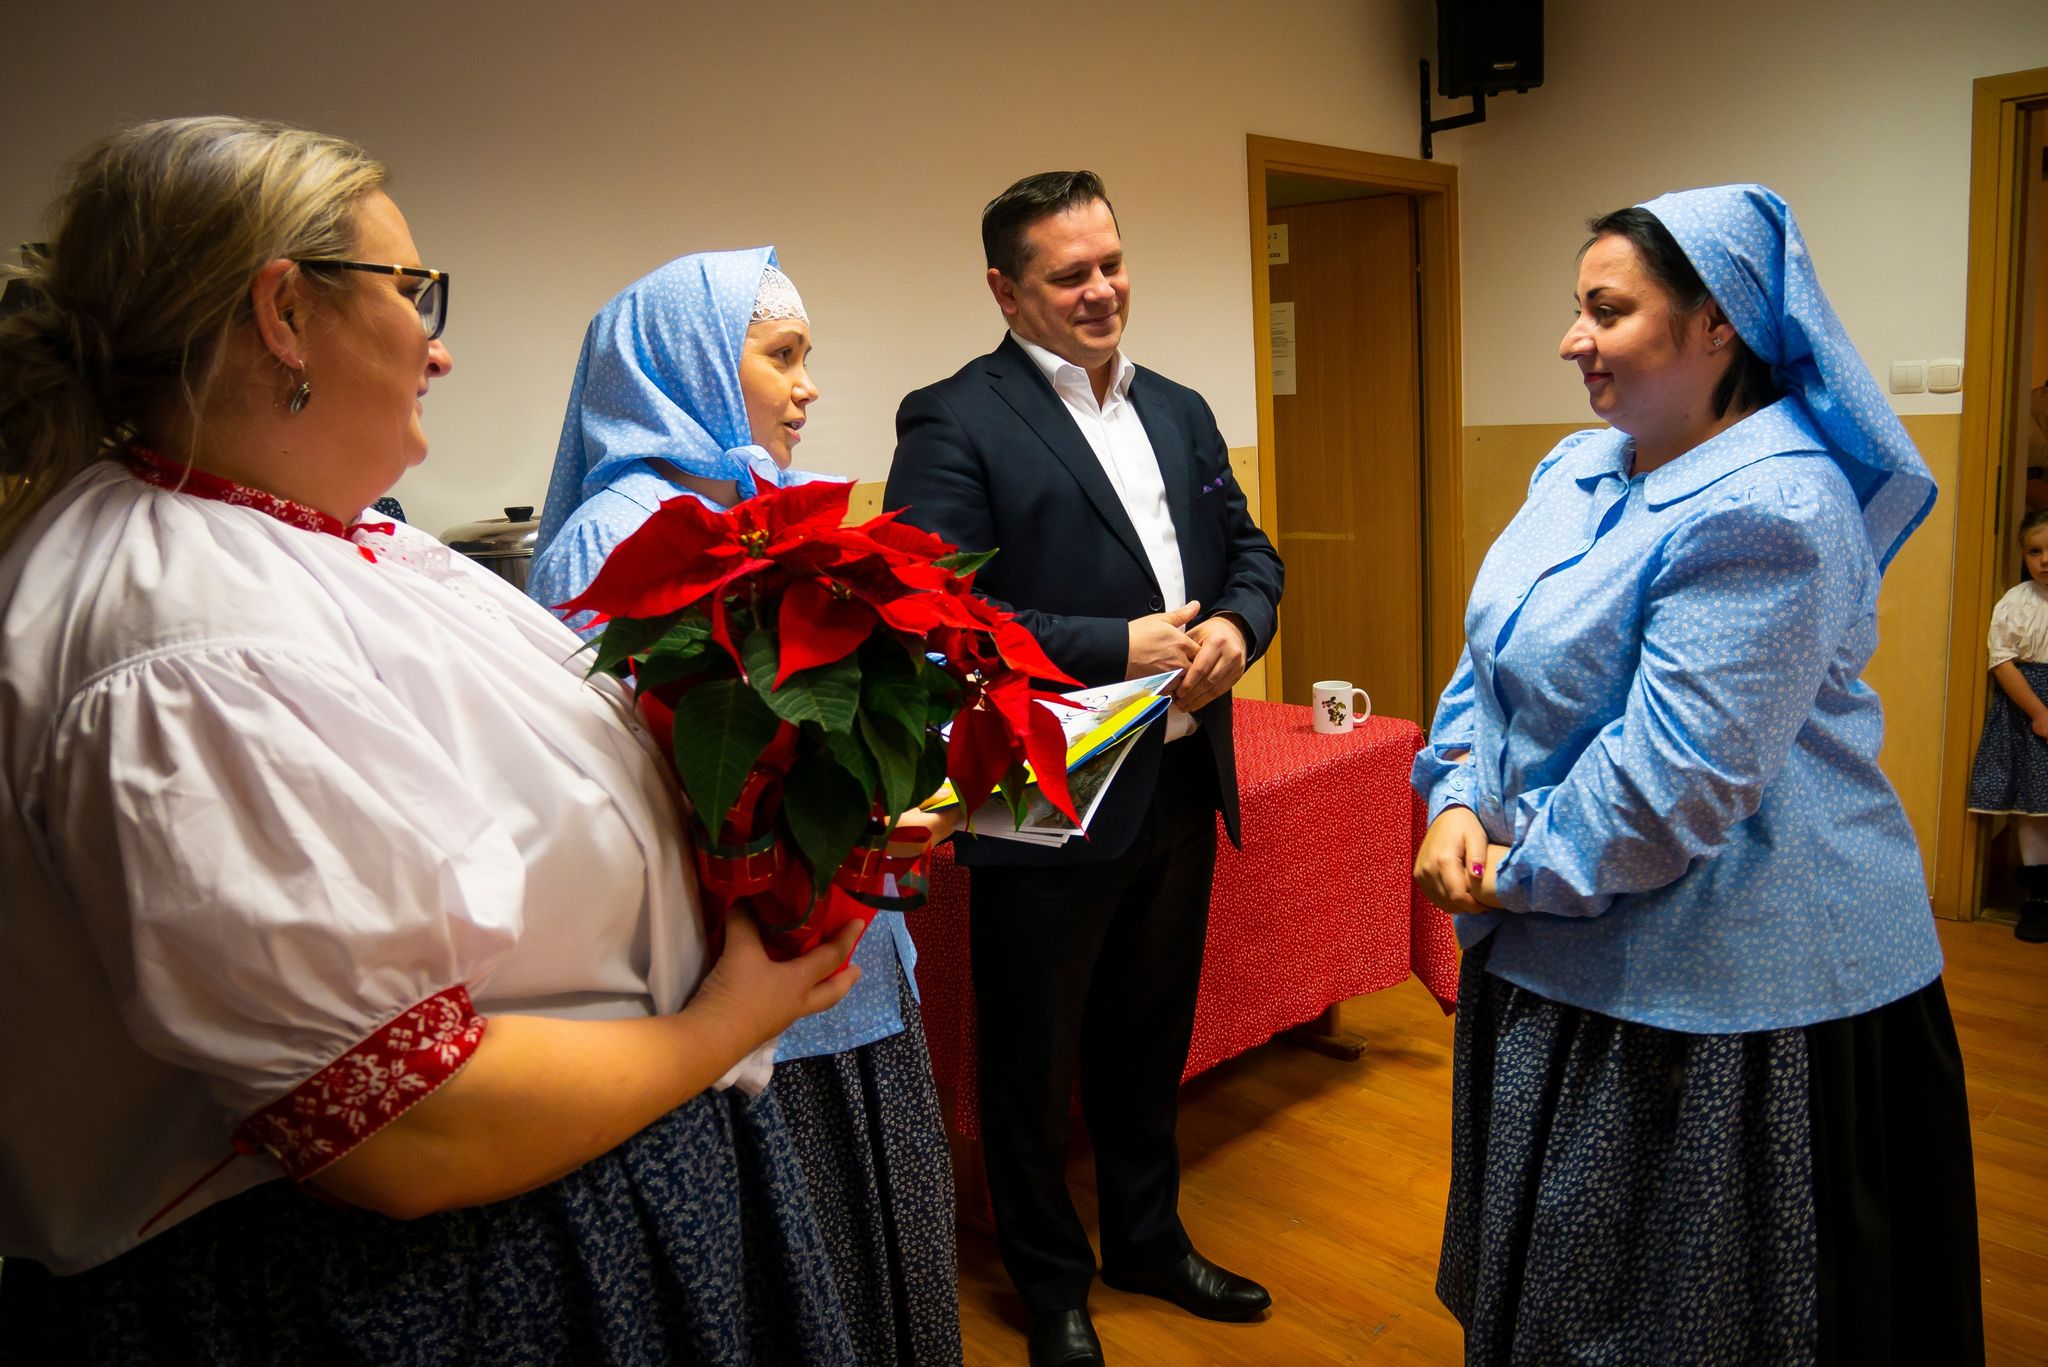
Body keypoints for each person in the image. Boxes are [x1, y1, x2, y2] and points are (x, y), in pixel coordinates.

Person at [0, 116, 868, 1364]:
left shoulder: (330, 538)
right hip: (397, 1287)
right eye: (413, 293)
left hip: (564, 1200)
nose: (439, 346)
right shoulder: (189, 643)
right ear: (284, 313)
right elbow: (402, 1127)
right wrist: (721, 1023)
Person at [1411, 184, 1983, 1364]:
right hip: (1558, 924)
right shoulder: (1577, 467)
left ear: (1716, 321)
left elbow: (1668, 780)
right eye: (1577, 308)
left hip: (1723, 986)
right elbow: (1487, 661)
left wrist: (1509, 871)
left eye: (1606, 311)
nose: (1571, 339)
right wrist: (1456, 787)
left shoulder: (1774, 505)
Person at [529, 250, 963, 1367]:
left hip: (837, 949)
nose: (807, 386)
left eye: (805, 356)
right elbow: (614, 795)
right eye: (781, 356)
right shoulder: (617, 534)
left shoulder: (760, 512)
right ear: (686, 365)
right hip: (739, 986)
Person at [883, 171, 1284, 1367]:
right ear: (1005, 290)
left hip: (1178, 774)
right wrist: (1115, 646)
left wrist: (1237, 625)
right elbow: (939, 614)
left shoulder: (1180, 407)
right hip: (1044, 792)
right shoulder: (953, 418)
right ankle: (1050, 1281)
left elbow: (1249, 550)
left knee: (1145, 1036)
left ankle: (1147, 1239)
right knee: (1032, 1057)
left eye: (1110, 262)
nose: (1101, 289)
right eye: (1069, 274)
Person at [1967, 506, 2048, 942]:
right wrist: (2039, 713)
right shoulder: (2016, 602)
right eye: (2035, 551)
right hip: (2028, 709)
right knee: (2034, 805)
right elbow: (2001, 661)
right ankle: (2039, 897)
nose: (2045, 560)